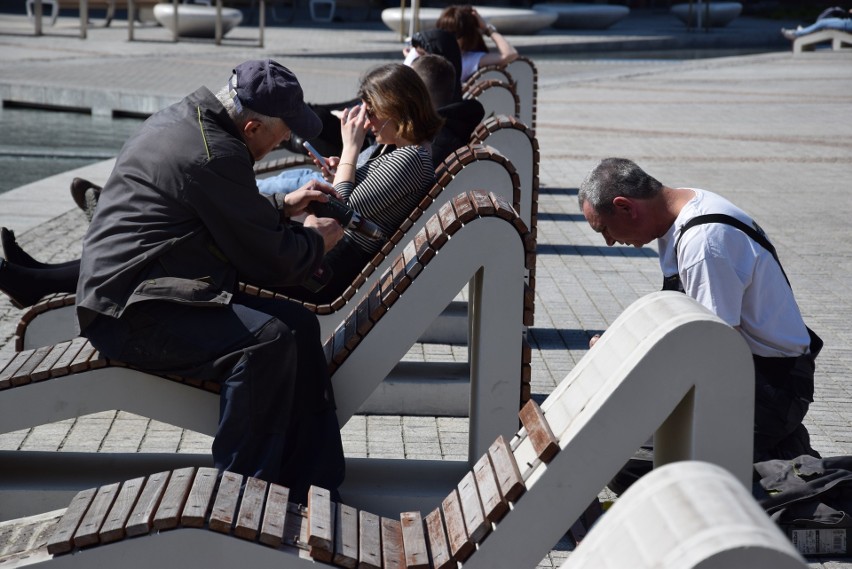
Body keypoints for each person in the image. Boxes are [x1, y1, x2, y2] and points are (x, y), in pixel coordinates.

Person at [75, 59, 346, 504]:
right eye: (284, 133)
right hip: (128, 312)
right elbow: (269, 258)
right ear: (254, 125)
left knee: (298, 325)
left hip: (150, 286)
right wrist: (315, 243)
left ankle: (312, 486)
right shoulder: (214, 153)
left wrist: (283, 204)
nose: (287, 141)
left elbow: (225, 208)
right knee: (267, 342)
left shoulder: (189, 120)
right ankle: (243, 498)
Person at [0, 63, 443, 310]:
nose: (362, 117)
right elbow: (349, 203)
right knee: (177, 241)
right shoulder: (396, 151)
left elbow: (338, 214)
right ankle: (37, 278)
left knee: (181, 246)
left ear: (397, 109)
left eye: (370, 108)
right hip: (313, 252)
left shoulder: (407, 158)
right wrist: (336, 172)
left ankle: (37, 280)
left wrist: (349, 152)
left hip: (318, 270)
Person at [579, 157, 822, 463]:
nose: (610, 241)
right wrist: (621, 349)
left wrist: (632, 369)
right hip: (759, 376)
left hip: (771, 389)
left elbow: (716, 352)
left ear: (626, 207)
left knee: (628, 460)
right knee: (630, 440)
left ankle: (774, 468)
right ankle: (777, 449)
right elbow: (689, 324)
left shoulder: (703, 243)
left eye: (605, 229)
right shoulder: (687, 208)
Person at [435, 4, 518, 84]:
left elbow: (510, 55)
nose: (448, 38)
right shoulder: (430, 52)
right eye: (443, 32)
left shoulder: (470, 59)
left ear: (467, 37)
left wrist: (487, 29)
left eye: (454, 34)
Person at [781, 6, 851, 40]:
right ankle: (803, 31)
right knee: (823, 23)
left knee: (822, 23)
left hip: (848, 23)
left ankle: (797, 34)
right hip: (848, 22)